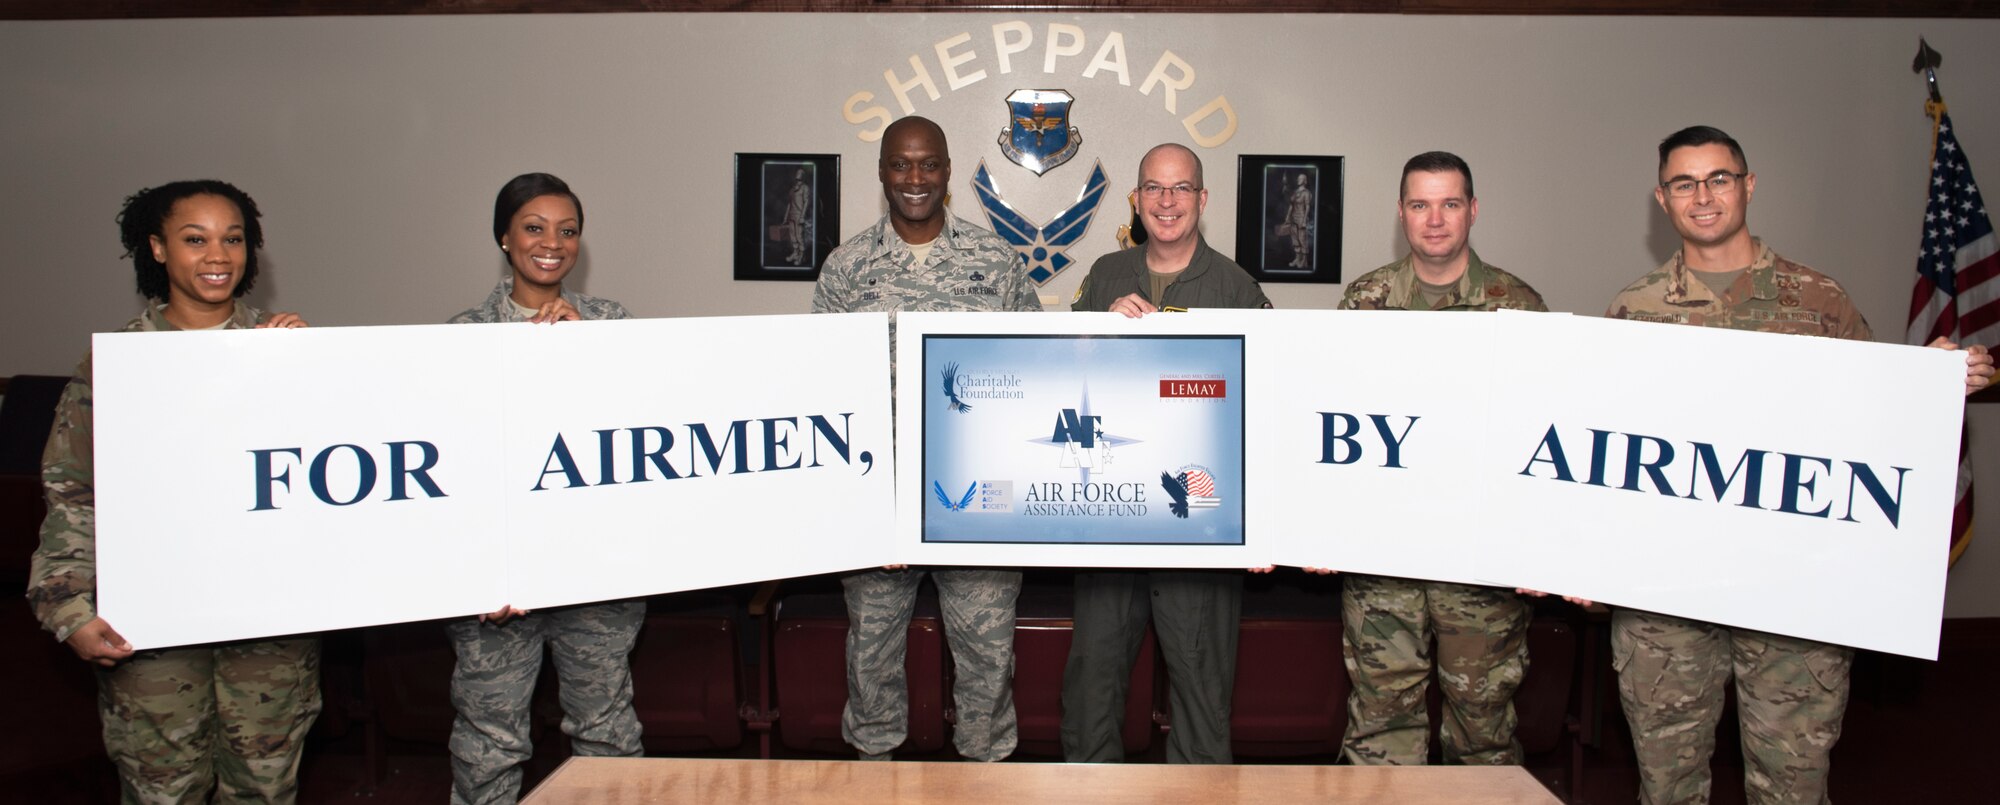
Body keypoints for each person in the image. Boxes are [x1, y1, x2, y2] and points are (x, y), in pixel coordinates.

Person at [1604, 125, 1994, 804]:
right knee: (1666, 786)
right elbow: (1605, 449)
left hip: (1794, 593)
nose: (1703, 195)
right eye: (1684, 182)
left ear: (1748, 185)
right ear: (1661, 199)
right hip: (1668, 595)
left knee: (1792, 786)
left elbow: (1877, 420)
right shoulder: (1631, 310)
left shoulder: (1821, 302)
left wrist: (1935, 383)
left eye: (1719, 178)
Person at [28, 180, 319, 803]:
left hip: (267, 629)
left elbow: (337, 486)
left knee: (265, 790)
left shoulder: (289, 352)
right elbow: (74, 494)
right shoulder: (115, 368)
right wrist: (69, 609)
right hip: (154, 633)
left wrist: (306, 371)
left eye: (233, 239)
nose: (218, 256)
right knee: (165, 792)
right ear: (157, 249)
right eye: (196, 239)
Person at [810, 115, 1039, 762]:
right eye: (901, 164)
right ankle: (875, 778)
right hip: (877, 500)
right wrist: (854, 505)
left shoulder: (996, 262)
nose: (915, 178)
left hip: (980, 500)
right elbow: (824, 392)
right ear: (882, 171)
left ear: (947, 172)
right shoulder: (847, 267)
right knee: (873, 658)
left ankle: (986, 776)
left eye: (929, 164)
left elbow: (1035, 373)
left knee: (989, 661)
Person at [1315, 151, 1546, 767]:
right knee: (1380, 726)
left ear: (1473, 210)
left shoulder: (1517, 307)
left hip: (1478, 566)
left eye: (1449, 204)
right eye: (1420, 205)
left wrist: (1539, 546)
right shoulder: (1366, 300)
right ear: (1401, 213)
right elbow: (1332, 424)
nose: (1435, 219)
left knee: (1483, 730)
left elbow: (1539, 439)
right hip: (1383, 557)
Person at [1062, 143, 1271, 765]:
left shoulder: (1237, 288)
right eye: (1154, 188)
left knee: (1202, 689)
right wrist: (1095, 328)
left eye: (1181, 189)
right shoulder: (1104, 275)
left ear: (1203, 200)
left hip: (1198, 521)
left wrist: (1259, 526)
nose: (1167, 201)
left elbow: (1263, 409)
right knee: (1092, 684)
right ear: (1136, 199)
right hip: (1111, 509)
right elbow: (1057, 376)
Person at [445, 173, 644, 804]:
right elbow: (454, 469)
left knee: (607, 734)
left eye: (567, 230)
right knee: (491, 743)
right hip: (499, 586)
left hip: (593, 573)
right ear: (505, 237)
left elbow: (646, 437)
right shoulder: (463, 334)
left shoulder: (611, 323)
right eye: (534, 227)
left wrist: (591, 351)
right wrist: (484, 569)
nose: (551, 243)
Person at [1283, 172, 1314, 268]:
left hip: (1301, 218)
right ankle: (1297, 258)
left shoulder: (1307, 193)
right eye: (1298, 178)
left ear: (1304, 181)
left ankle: (1304, 260)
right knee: (1295, 239)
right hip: (1293, 218)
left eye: (1300, 178)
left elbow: (1307, 207)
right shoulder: (1295, 192)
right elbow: (1291, 205)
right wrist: (1287, 217)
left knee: (1302, 239)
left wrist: (1305, 220)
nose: (1298, 180)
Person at [785, 168, 812, 266]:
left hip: (799, 215)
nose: (798, 178)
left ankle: (802, 255)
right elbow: (789, 204)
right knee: (793, 236)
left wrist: (802, 216)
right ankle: (796, 253)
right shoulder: (792, 189)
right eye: (797, 176)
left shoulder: (805, 188)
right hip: (791, 215)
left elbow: (806, 203)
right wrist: (785, 217)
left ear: (803, 177)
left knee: (799, 236)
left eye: (800, 176)